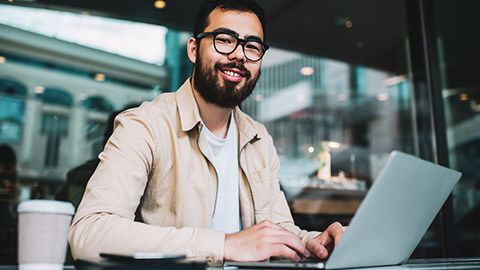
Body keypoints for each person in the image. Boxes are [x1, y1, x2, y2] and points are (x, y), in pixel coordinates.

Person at [69, 0, 345, 265]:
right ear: (193, 49)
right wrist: (225, 245)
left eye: (252, 46)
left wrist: (313, 243)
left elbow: (277, 229)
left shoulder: (258, 138)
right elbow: (90, 234)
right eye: (224, 39)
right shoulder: (145, 125)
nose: (239, 54)